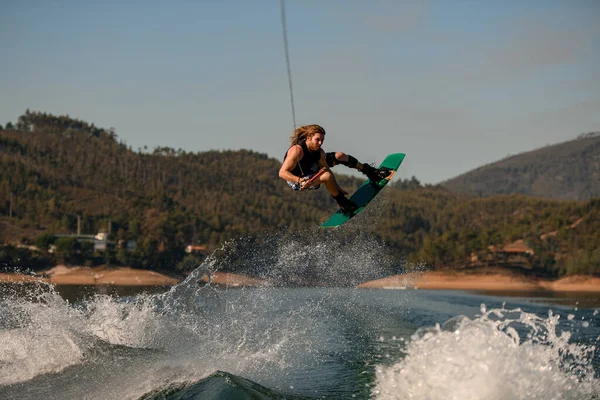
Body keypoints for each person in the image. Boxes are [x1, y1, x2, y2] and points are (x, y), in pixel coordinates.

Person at [279, 124, 392, 214]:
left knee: (340, 156)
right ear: (308, 138)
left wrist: (337, 188)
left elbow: (326, 169)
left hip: (312, 167)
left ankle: (370, 171)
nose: (320, 143)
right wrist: (300, 180)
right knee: (326, 177)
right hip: (297, 179)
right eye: (317, 140)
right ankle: (343, 203)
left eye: (322, 140)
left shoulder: (319, 152)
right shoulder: (297, 151)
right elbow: (282, 173)